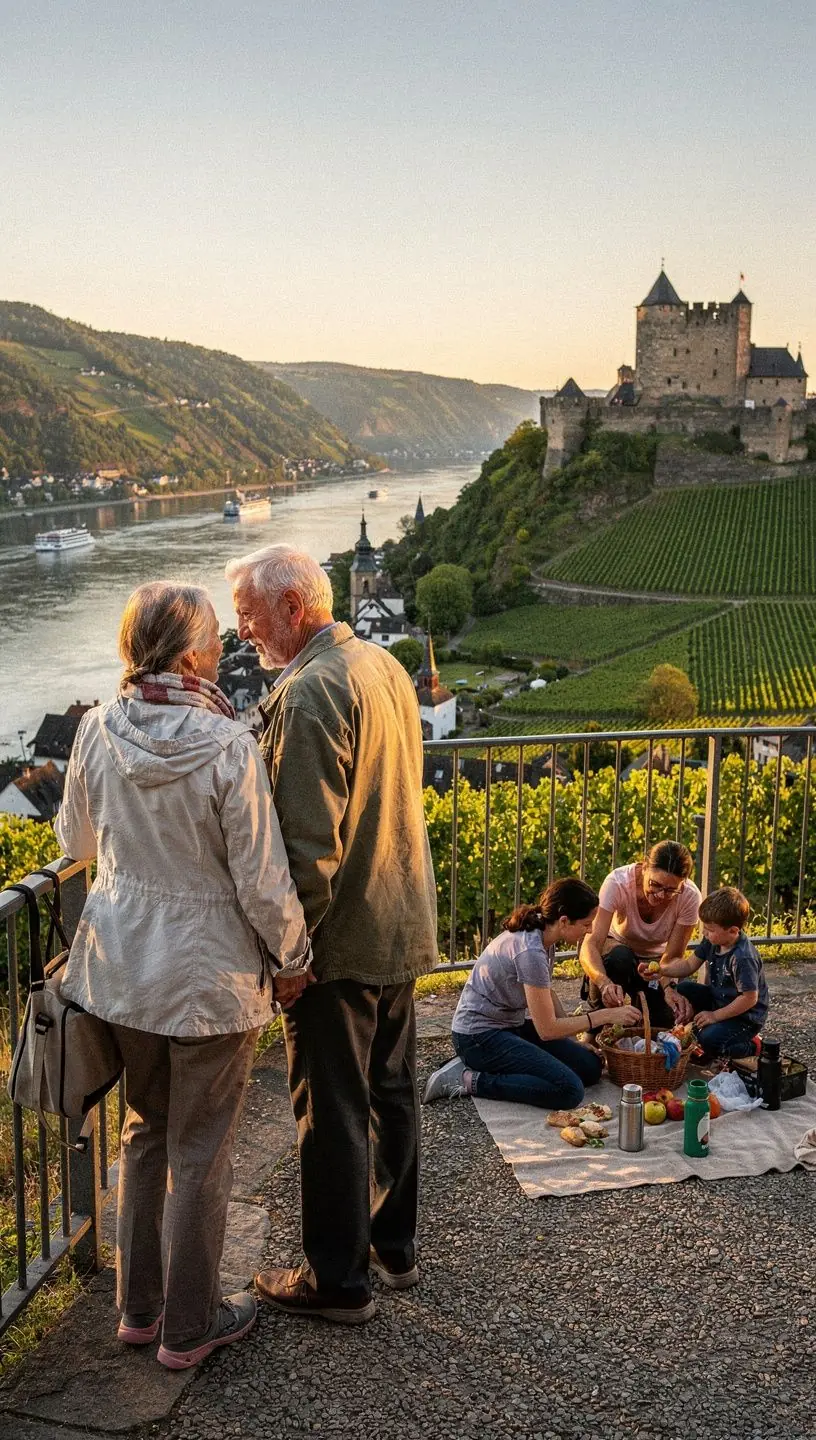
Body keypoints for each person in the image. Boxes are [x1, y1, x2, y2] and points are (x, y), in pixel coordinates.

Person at [54, 581, 311, 1369]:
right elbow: (262, 880)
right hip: (209, 979)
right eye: (212, 639)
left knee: (143, 1131)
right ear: (194, 652)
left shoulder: (97, 728)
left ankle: (138, 1310)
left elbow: (76, 842)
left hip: (122, 971)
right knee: (201, 1150)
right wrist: (293, 959)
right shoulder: (228, 744)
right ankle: (190, 1326)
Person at [226, 543, 437, 1325]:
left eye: (248, 615)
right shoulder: (380, 665)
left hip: (339, 940)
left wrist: (292, 955)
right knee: (391, 1091)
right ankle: (394, 1248)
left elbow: (305, 848)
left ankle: (336, 1282)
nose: (242, 631)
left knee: (332, 1111)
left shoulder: (311, 691)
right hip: (399, 916)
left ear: (292, 606)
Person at [423, 878, 640, 1109]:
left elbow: (547, 994)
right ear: (564, 921)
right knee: (569, 1090)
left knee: (590, 1067)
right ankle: (470, 1079)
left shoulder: (544, 933)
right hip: (478, 1037)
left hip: (508, 1024)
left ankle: (494, 1065)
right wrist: (606, 1015)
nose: (590, 931)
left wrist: (572, 1042)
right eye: (586, 924)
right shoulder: (531, 951)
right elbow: (547, 1030)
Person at [580, 840, 701, 1028]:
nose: (661, 895)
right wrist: (604, 983)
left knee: (663, 1024)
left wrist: (668, 987)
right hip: (616, 948)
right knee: (620, 958)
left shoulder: (690, 896)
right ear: (644, 867)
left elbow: (672, 957)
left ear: (683, 883)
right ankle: (597, 1026)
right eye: (655, 884)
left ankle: (638, 1019)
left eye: (671, 890)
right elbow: (591, 945)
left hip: (655, 962)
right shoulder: (617, 882)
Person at [657, 886, 769, 1060]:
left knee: (708, 1040)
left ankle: (752, 1046)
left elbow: (749, 998)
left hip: (744, 1017)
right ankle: (693, 1028)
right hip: (719, 1000)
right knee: (684, 988)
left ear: (733, 931)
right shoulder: (713, 941)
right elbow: (688, 965)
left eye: (709, 929)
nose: (704, 932)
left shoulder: (743, 957)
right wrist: (660, 970)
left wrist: (714, 1016)